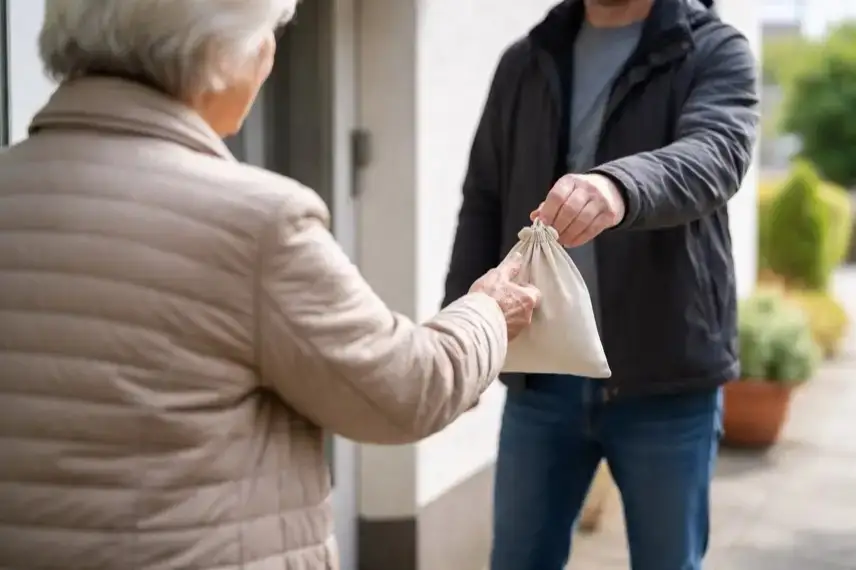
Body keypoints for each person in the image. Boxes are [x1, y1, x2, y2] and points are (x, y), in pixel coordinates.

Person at [0, 1, 541, 569]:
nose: (271, 54)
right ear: (218, 54)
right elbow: (404, 390)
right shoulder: (256, 221)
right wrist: (488, 313)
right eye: (267, 36)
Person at [443, 0, 759, 569]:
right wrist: (459, 340)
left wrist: (619, 187)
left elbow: (718, 154)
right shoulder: (526, 59)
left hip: (667, 376)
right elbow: (484, 200)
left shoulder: (713, 49)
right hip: (543, 377)